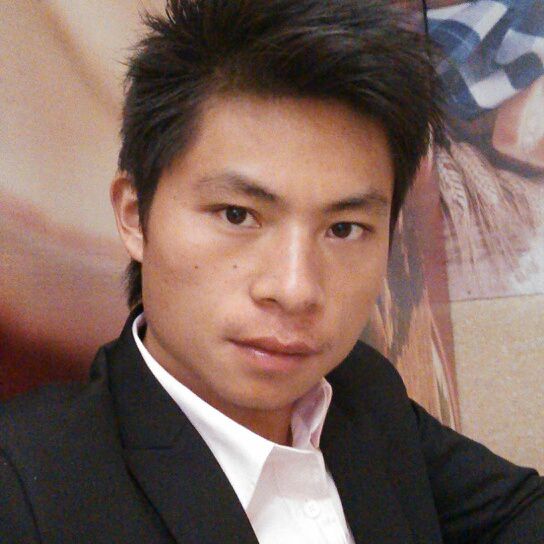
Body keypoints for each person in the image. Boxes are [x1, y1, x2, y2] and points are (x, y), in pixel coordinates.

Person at [1, 1, 542, 542]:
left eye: (344, 228)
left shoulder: (358, 394)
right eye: (237, 215)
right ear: (135, 215)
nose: (295, 289)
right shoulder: (28, 487)